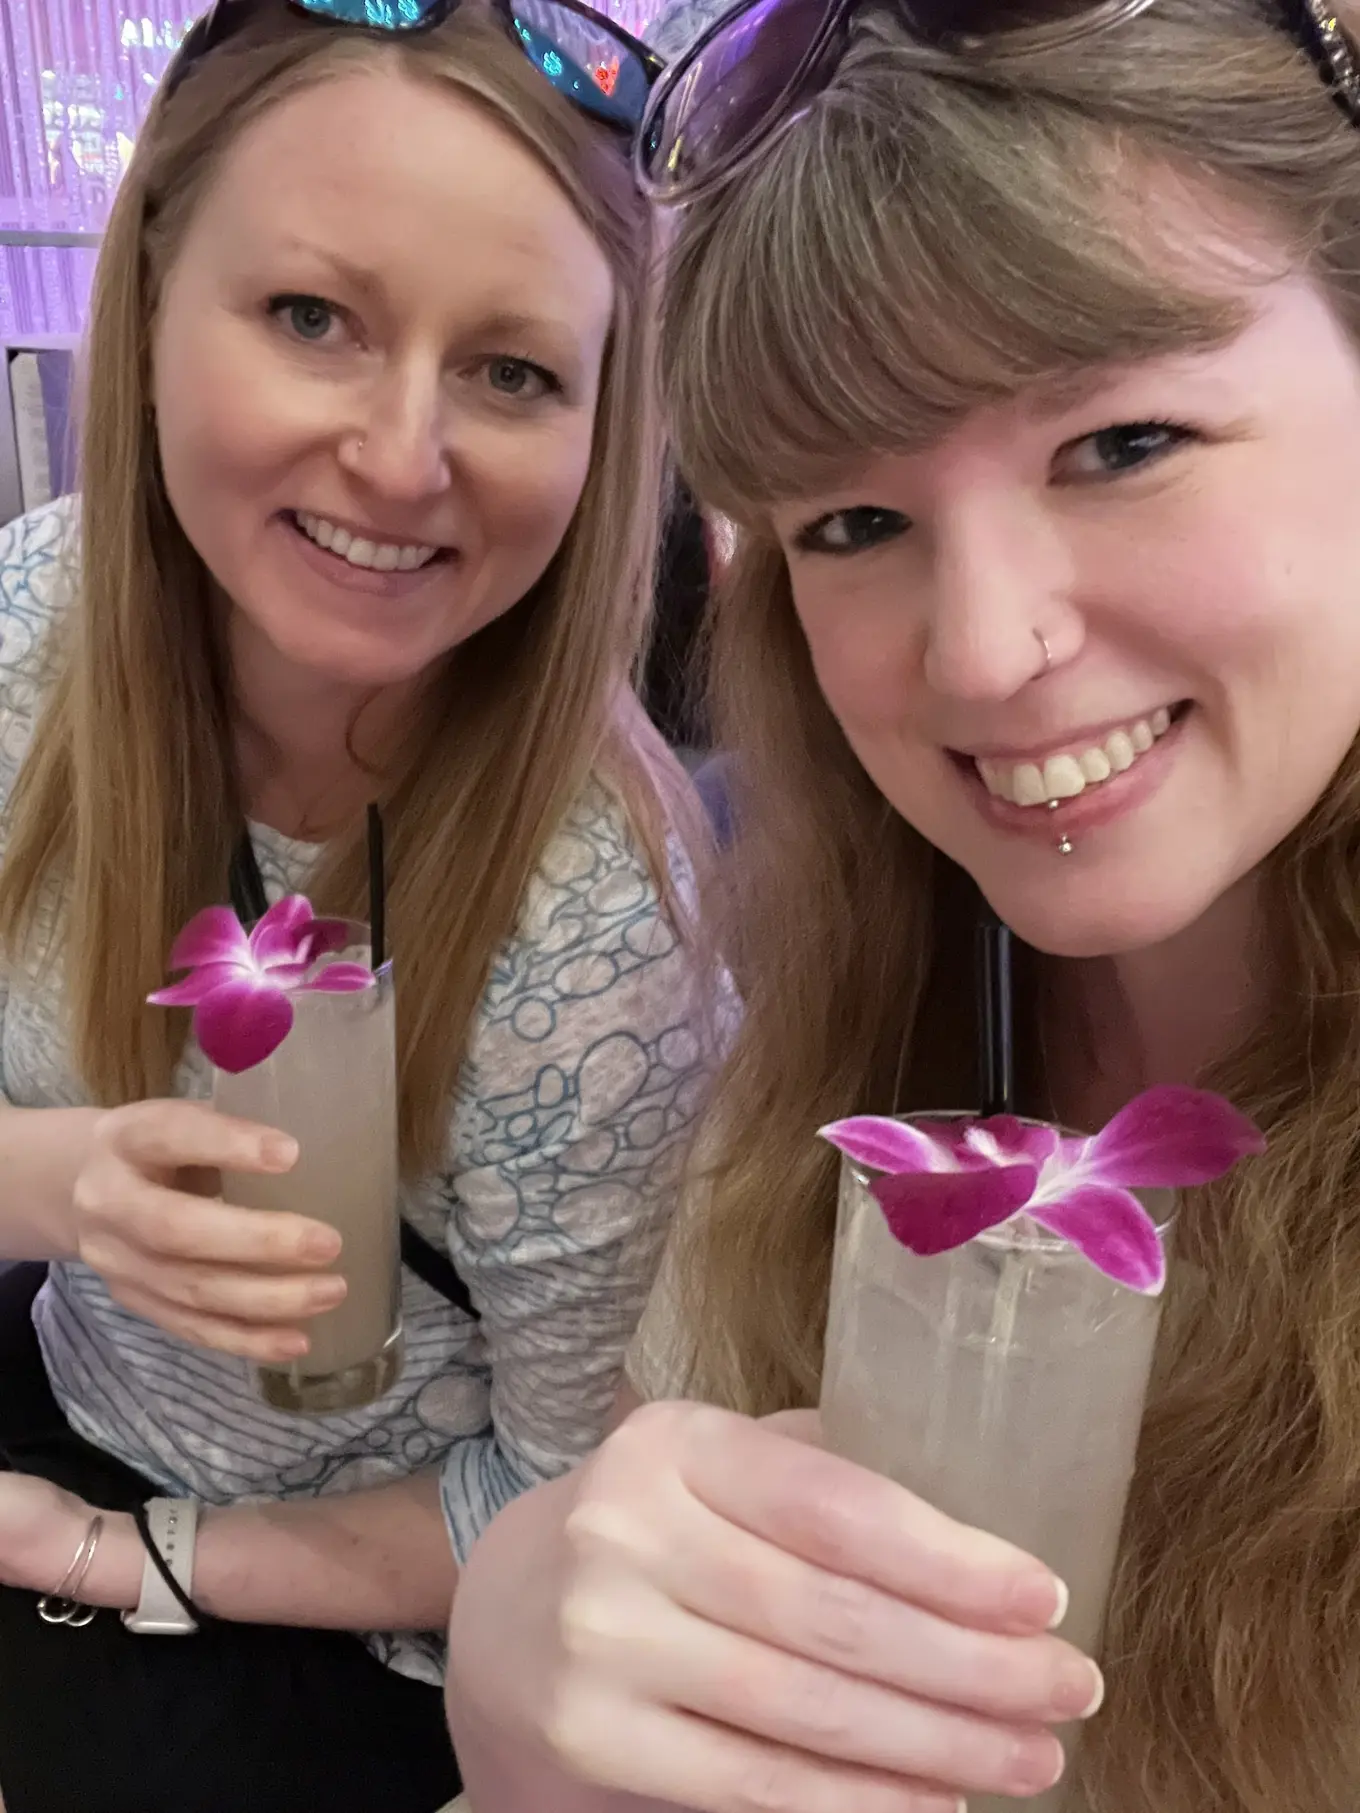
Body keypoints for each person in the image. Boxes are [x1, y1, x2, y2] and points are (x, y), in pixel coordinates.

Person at [439, 0, 1360, 1808]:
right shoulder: (816, 1086)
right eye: (855, 525)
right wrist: (518, 1692)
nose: (985, 652)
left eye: (1122, 444)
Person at [0, 1, 713, 1809]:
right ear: (155, 292)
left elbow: (562, 1510)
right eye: (313, 317)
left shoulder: (602, 937)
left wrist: (120, 1560)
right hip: (46, 1385)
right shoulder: (30, 633)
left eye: (514, 371)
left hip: (358, 1604)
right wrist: (60, 1184)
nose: (405, 461)